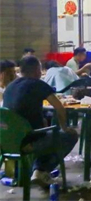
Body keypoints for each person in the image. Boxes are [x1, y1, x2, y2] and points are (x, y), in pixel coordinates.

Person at [3, 56, 78, 188]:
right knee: (70, 135)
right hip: (29, 142)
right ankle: (41, 170)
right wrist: (64, 127)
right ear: (38, 70)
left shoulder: (10, 86)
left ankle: (34, 170)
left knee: (45, 129)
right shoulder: (38, 84)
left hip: (7, 142)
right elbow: (60, 108)